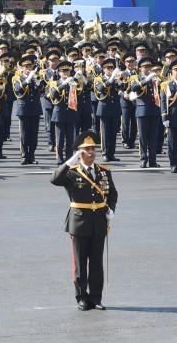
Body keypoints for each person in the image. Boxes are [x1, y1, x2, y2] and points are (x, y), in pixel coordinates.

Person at [50, 132, 118, 311]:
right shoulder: (71, 173)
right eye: (87, 149)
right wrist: (69, 161)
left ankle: (96, 298)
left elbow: (113, 193)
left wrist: (110, 209)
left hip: (99, 222)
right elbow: (54, 179)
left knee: (96, 262)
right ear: (79, 152)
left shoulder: (104, 171)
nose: (91, 152)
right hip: (79, 221)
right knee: (80, 264)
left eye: (93, 149)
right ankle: (82, 297)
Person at [128, 57, 161, 168]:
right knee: (143, 137)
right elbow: (134, 88)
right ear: (140, 68)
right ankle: (143, 159)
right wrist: (146, 80)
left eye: (149, 67)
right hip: (142, 110)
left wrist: (158, 82)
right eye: (145, 67)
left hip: (155, 110)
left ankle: (153, 160)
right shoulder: (136, 77)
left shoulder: (155, 78)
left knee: (153, 137)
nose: (147, 69)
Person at [12, 55, 43, 165]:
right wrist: (28, 80)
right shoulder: (17, 78)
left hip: (35, 108)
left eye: (30, 66)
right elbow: (17, 89)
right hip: (23, 109)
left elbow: (42, 91)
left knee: (34, 135)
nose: (28, 68)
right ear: (22, 68)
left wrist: (38, 83)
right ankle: (25, 155)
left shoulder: (35, 77)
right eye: (26, 66)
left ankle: (32, 155)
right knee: (24, 134)